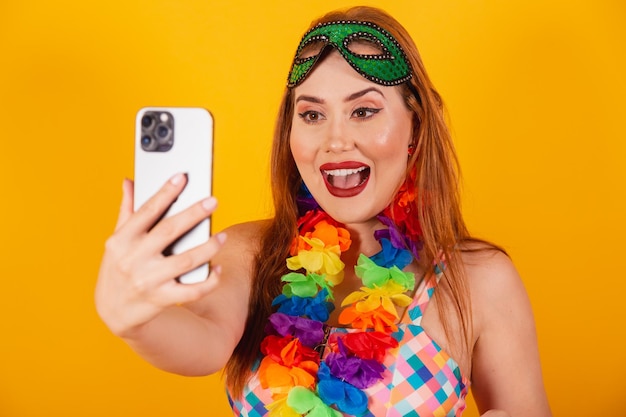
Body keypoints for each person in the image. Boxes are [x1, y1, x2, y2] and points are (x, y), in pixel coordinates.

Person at [95, 6, 551, 417]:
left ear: (415, 125)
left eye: (364, 111)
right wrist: (134, 319)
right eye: (312, 115)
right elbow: (204, 343)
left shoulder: (480, 280)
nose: (335, 140)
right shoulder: (249, 252)